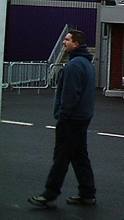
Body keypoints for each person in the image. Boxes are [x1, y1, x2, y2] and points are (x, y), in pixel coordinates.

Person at [29, 29, 97, 208]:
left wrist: (63, 116)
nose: (63, 42)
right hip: (82, 118)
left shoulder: (74, 65)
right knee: (79, 156)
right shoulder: (87, 64)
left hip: (71, 119)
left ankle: (50, 195)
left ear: (76, 44)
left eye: (67, 40)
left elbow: (70, 95)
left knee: (61, 157)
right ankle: (87, 193)